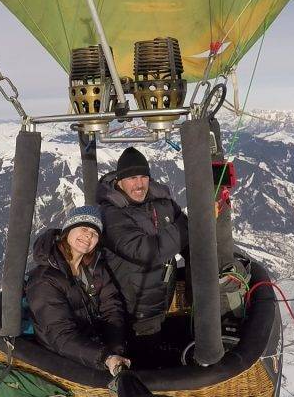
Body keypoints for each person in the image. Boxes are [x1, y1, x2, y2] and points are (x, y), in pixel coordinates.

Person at [97, 147, 189, 345]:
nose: (139, 184)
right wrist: (191, 224)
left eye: (143, 176)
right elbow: (146, 251)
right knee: (146, 360)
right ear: (119, 181)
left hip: (162, 299)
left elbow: (186, 239)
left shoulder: (162, 203)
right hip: (133, 311)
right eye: (131, 178)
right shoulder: (111, 214)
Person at [25, 205, 131, 374]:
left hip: (96, 349)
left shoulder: (94, 267)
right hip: (66, 360)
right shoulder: (44, 280)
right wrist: (106, 358)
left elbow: (112, 307)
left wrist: (115, 349)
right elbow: (61, 337)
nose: (88, 235)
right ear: (68, 230)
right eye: (83, 228)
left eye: (95, 233)